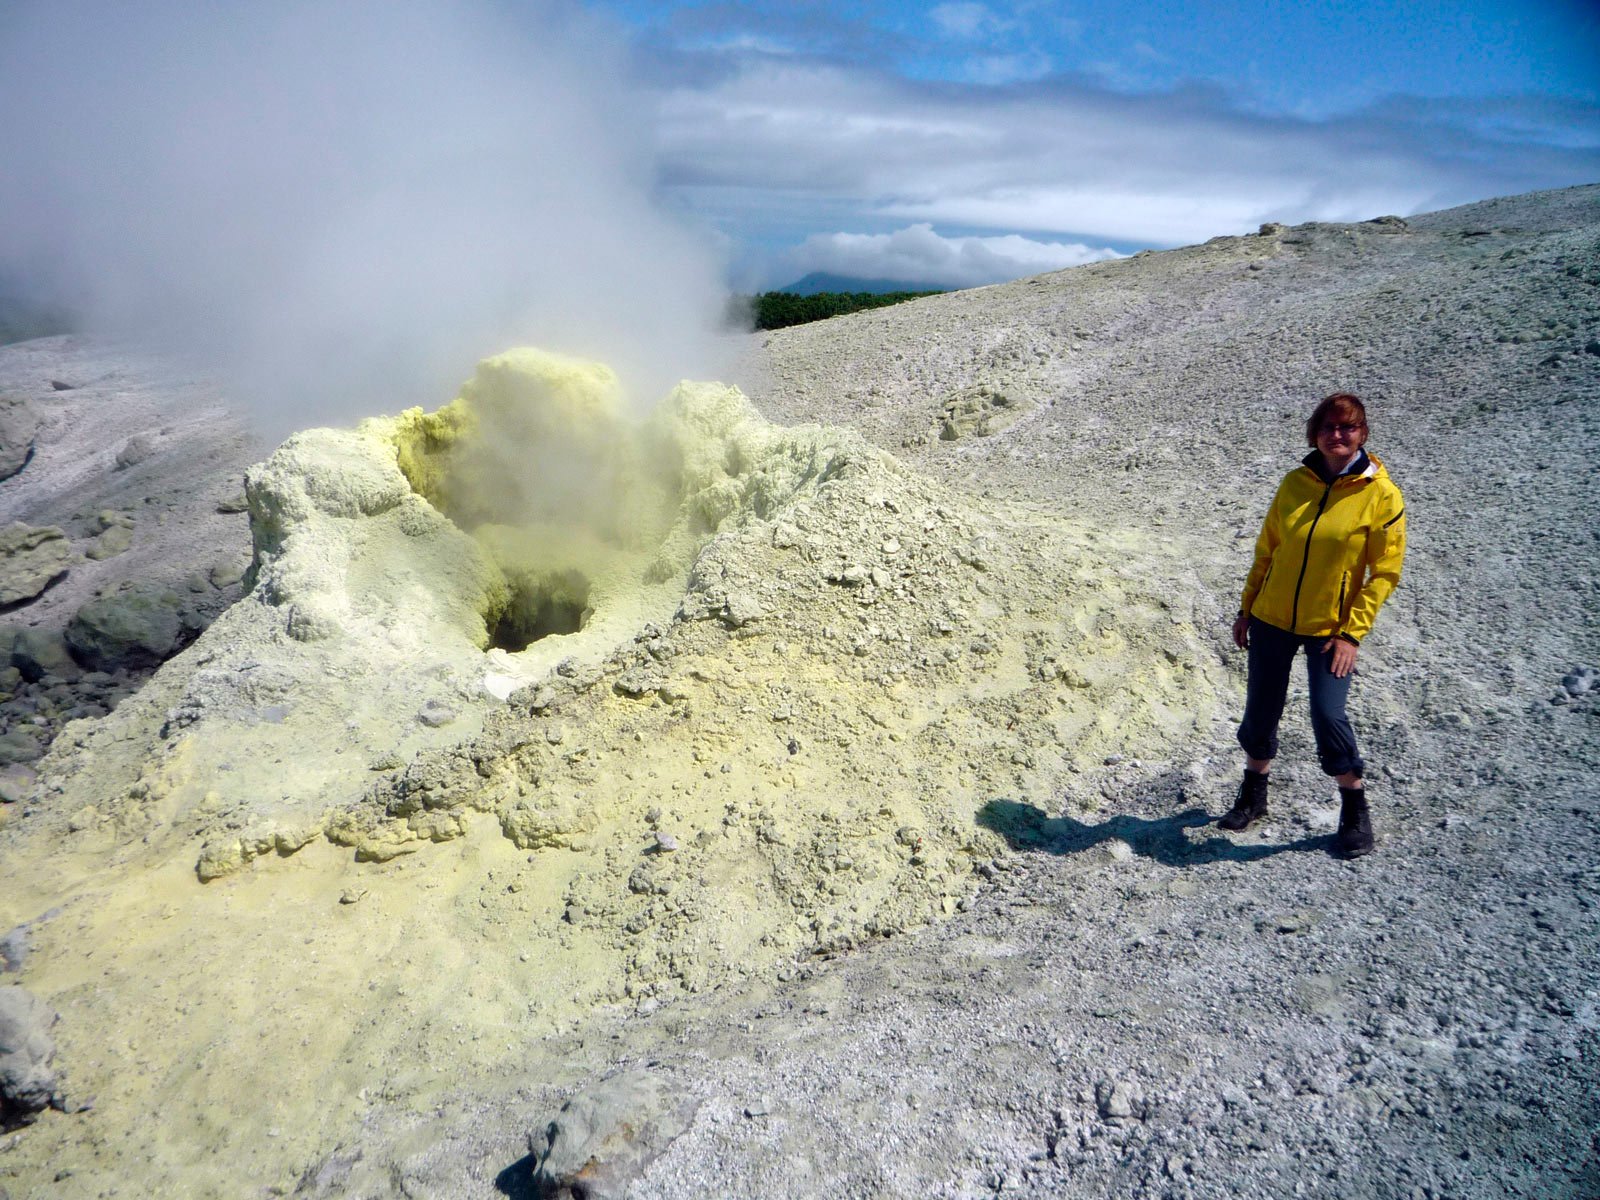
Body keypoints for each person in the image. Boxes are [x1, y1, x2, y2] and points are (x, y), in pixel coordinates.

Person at [1219, 393, 1407, 856]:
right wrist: (1248, 608)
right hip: (1273, 617)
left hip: (1331, 628)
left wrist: (1351, 634)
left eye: (1348, 428)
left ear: (1363, 434)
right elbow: (1268, 549)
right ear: (1314, 434)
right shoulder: (1294, 483)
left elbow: (1385, 572)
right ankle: (1253, 795)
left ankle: (1354, 808)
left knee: (1328, 714)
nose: (1337, 435)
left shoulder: (1380, 494)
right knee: (1261, 708)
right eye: (1328, 428)